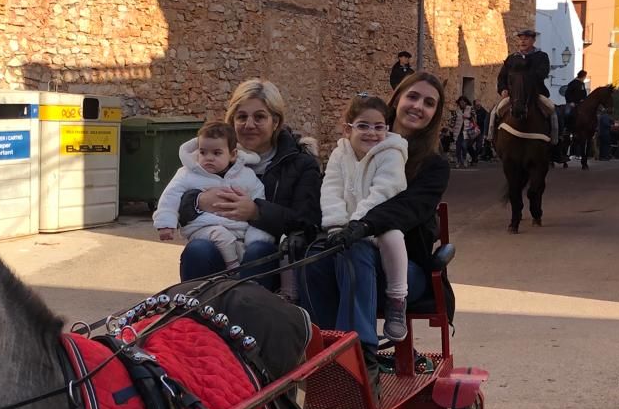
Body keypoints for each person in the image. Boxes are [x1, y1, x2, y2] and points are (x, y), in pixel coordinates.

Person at [302, 72, 453, 388]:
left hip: (403, 267)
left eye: (429, 103)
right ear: (397, 99)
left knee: (356, 251)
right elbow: (332, 188)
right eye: (413, 97)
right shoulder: (357, 145)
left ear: (435, 114)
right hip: (350, 248)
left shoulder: (433, 165)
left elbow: (409, 209)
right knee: (314, 256)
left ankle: (360, 356)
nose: (418, 107)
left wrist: (362, 226)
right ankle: (320, 350)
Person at [176, 78, 322, 289]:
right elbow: (175, 197)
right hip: (219, 245)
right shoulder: (212, 158)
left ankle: (246, 317)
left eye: (259, 117)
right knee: (198, 249)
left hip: (271, 260)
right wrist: (197, 200)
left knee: (257, 252)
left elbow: (307, 221)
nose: (249, 125)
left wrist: (256, 212)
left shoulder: (301, 164)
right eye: (242, 117)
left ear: (276, 122)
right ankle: (197, 317)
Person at [320, 94, 410, 341]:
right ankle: (318, 333)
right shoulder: (340, 155)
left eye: (379, 127)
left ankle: (397, 298)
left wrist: (357, 224)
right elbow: (331, 188)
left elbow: (384, 191)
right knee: (315, 253)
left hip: (377, 223)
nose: (372, 133)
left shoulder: (391, 153)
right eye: (363, 126)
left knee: (393, 237)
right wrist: (336, 223)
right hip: (346, 229)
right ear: (347, 129)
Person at [153, 120, 272, 270]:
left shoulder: (245, 175)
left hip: (238, 228)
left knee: (256, 242)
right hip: (203, 227)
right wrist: (165, 223)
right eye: (203, 152)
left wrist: (254, 209)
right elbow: (170, 197)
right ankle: (233, 269)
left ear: (232, 154)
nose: (208, 158)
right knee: (222, 236)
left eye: (217, 153)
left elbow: (258, 194)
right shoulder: (187, 174)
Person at [496, 28, 559, 144]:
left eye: (526, 39)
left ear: (533, 40)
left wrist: (526, 77)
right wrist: (503, 89)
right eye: (521, 39)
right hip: (514, 95)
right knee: (493, 113)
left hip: (536, 94)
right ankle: (490, 139)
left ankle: (556, 144)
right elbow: (502, 77)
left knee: (553, 112)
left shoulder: (541, 56)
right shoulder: (512, 58)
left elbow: (542, 73)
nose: (523, 42)